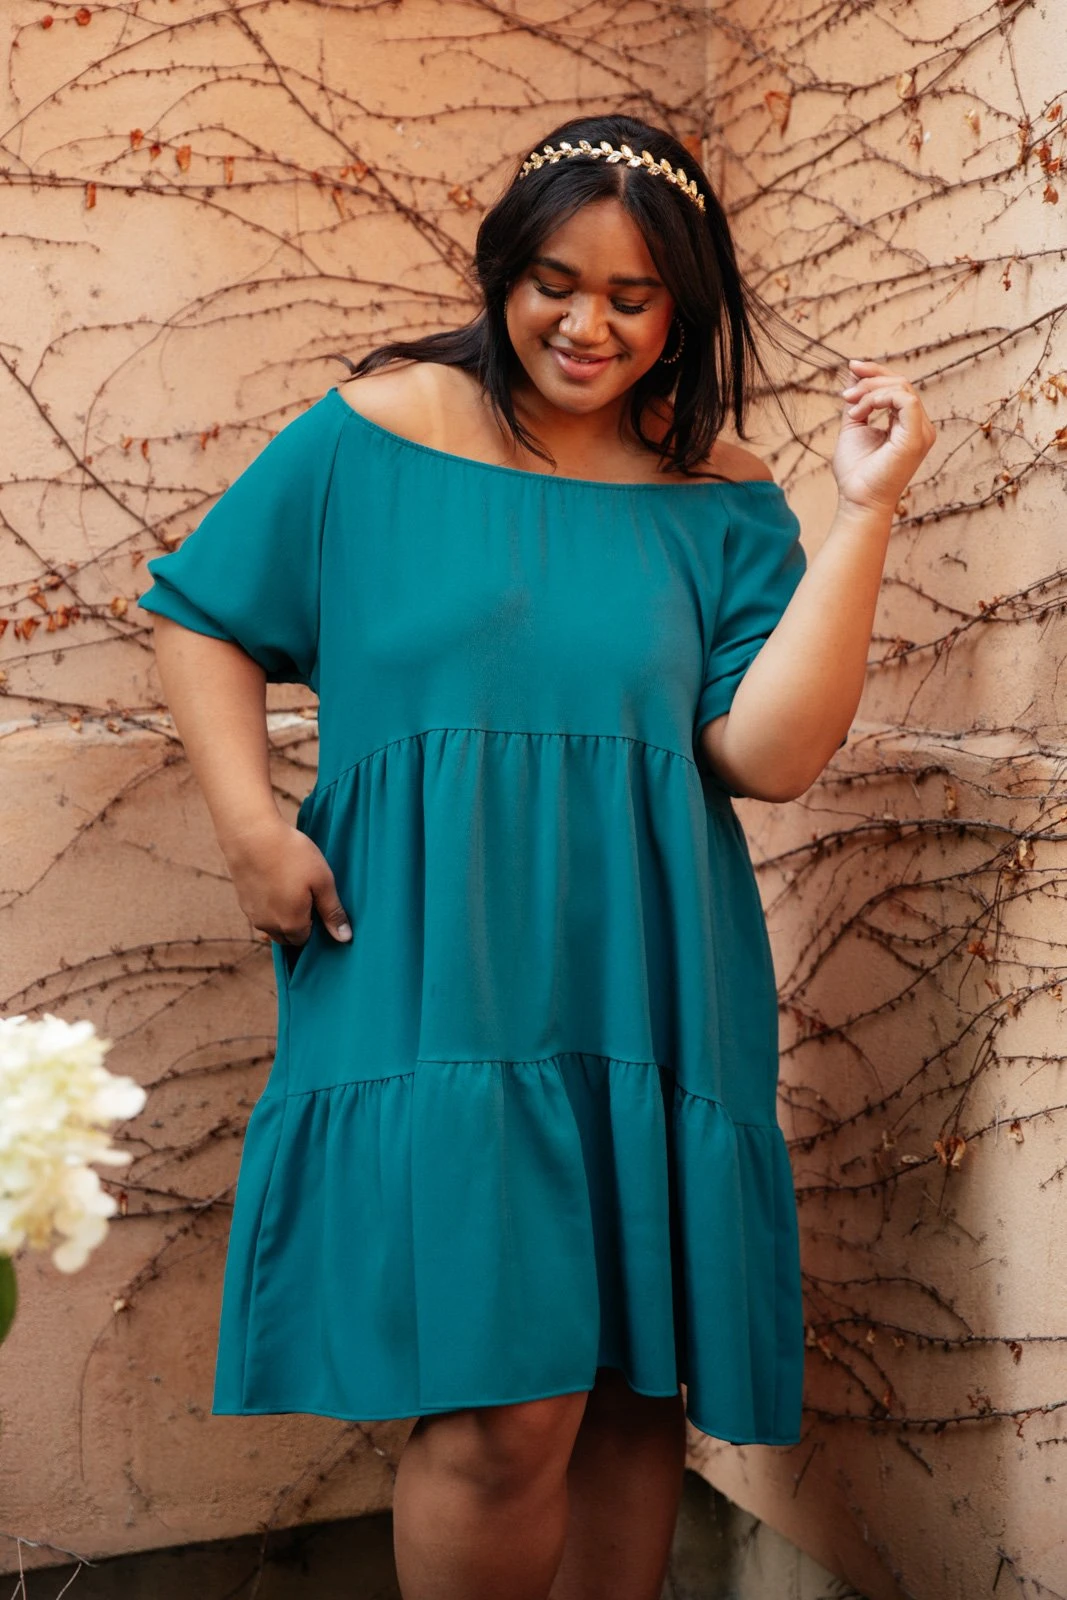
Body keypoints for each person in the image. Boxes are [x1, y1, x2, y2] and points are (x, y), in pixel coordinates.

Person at [136, 112, 936, 1600]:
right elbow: (201, 613)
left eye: (633, 298)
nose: (587, 325)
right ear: (504, 272)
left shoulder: (719, 492)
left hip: (649, 969)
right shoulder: (374, 433)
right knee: (501, 1408)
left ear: (684, 307)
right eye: (555, 284)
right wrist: (250, 827)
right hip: (429, 966)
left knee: (629, 1395)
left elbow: (765, 754)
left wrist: (861, 511)